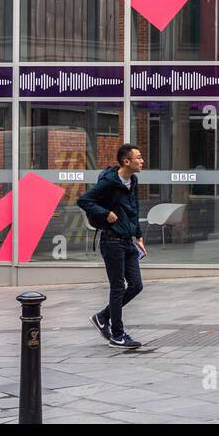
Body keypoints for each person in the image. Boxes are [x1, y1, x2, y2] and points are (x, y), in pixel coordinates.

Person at [78, 143, 147, 349]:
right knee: (117, 287)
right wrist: (105, 213)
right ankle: (117, 335)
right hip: (111, 241)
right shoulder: (109, 182)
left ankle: (102, 317)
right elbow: (84, 200)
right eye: (139, 157)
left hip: (127, 241)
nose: (142, 161)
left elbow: (133, 208)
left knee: (136, 285)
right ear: (127, 161)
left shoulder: (132, 180)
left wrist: (138, 235)